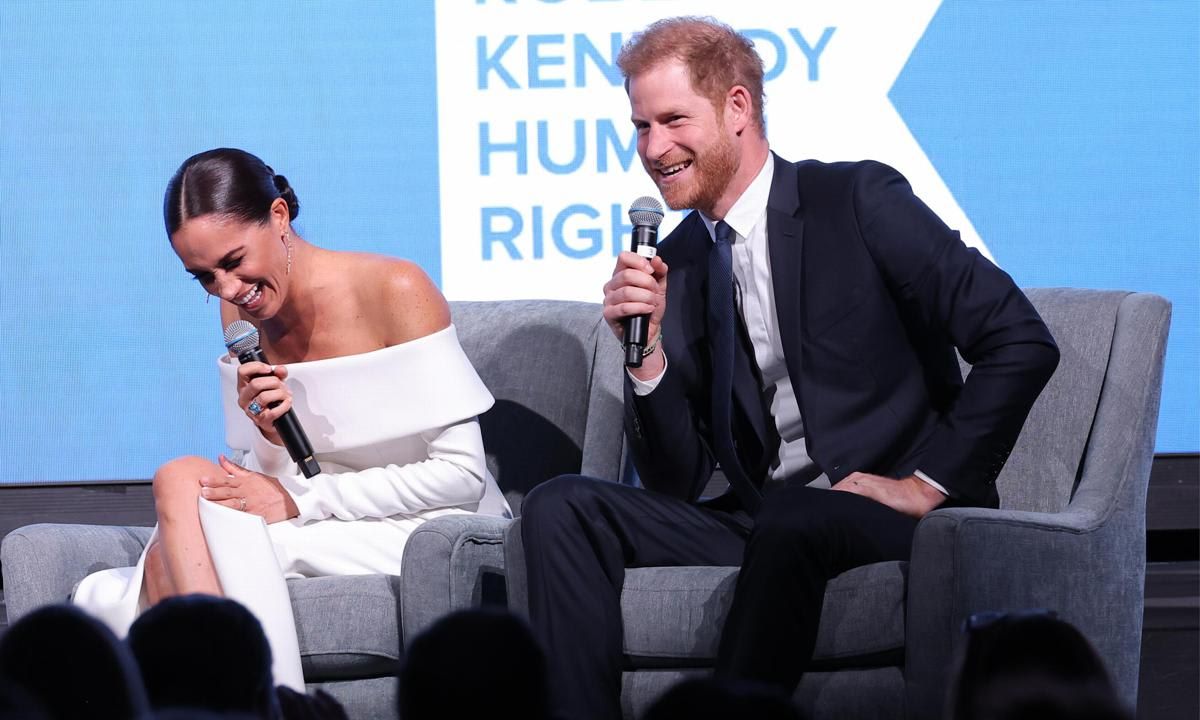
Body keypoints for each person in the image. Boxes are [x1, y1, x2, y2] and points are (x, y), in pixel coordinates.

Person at [518, 16, 1060, 720]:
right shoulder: (677, 264)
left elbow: (1020, 339)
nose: (654, 148)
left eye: (673, 120)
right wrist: (646, 353)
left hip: (882, 510)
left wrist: (925, 485)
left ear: (737, 107)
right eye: (641, 127)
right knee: (561, 504)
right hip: (763, 518)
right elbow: (680, 481)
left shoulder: (857, 202)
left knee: (797, 516)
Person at [73, 148, 510, 685]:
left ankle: (249, 701)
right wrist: (269, 438)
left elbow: (461, 478)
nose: (227, 291)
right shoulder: (240, 315)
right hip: (320, 512)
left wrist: (301, 501)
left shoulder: (394, 289)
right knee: (178, 478)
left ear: (279, 217)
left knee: (178, 561)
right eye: (204, 278)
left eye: (233, 262)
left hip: (430, 525)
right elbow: (289, 476)